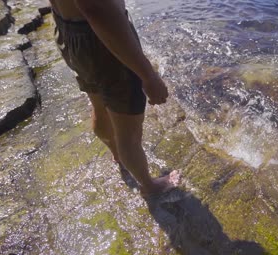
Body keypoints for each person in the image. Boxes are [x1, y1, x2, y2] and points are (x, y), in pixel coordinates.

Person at [49, 0, 180, 196]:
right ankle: (149, 186)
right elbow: (96, 8)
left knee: (99, 103)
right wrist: (148, 76)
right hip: (102, 37)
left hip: (69, 28)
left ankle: (118, 156)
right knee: (129, 133)